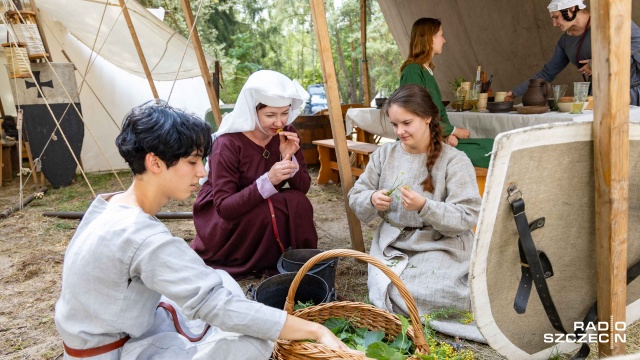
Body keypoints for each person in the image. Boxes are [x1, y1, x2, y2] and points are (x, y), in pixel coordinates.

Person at [54, 101, 351, 359]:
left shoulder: (109, 206)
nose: (202, 172)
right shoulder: (141, 236)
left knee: (220, 278)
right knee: (255, 339)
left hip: (109, 332)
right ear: (154, 162)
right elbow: (215, 305)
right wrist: (314, 330)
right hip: (112, 352)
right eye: (193, 162)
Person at [348, 84, 483, 341]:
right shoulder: (384, 154)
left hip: (441, 244)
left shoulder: (454, 160)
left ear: (427, 117)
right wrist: (371, 198)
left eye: (406, 123)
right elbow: (356, 194)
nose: (399, 131)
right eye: (394, 124)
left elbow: (467, 215)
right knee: (396, 288)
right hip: (395, 242)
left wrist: (425, 207)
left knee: (447, 291)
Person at [191, 70, 317, 278]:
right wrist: (269, 180)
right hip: (224, 216)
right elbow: (224, 207)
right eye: (270, 115)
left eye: (284, 113)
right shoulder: (228, 144)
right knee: (269, 209)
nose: (279, 122)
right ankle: (258, 259)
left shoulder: (286, 134)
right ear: (252, 111)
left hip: (261, 202)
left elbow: (301, 188)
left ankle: (298, 261)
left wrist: (289, 157)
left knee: (298, 202)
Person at [400, 17, 493, 169]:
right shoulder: (413, 71)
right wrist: (454, 131)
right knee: (490, 153)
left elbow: (439, 111)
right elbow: (416, 115)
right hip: (424, 146)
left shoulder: (425, 71)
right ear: (430, 39)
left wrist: (449, 134)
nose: (444, 40)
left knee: (494, 144)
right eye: (441, 35)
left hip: (437, 138)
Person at [506, 0, 640, 105]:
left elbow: (637, 40)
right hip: (598, 96)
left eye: (556, 17)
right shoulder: (565, 41)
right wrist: (514, 92)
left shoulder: (608, 19)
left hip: (628, 91)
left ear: (571, 9)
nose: (554, 23)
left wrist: (597, 63)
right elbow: (547, 73)